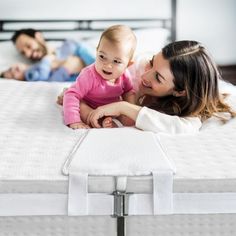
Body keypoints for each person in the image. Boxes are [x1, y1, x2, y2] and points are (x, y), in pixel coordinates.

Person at [86, 40, 236, 134]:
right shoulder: (138, 67)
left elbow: (185, 127)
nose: (145, 76)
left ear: (179, 91)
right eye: (151, 63)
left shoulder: (189, 105)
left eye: (158, 77)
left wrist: (124, 107)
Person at [63, 25, 137, 129]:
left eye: (116, 61)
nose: (107, 65)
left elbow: (129, 92)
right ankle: (97, 121)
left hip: (111, 109)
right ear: (97, 51)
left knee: (124, 118)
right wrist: (74, 121)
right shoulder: (89, 75)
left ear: (128, 64)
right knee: (84, 108)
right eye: (102, 57)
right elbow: (72, 94)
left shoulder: (125, 75)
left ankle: (106, 120)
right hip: (89, 105)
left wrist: (131, 111)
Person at [11, 28, 95, 72]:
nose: (28, 54)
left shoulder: (72, 46)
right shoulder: (36, 70)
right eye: (23, 53)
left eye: (28, 46)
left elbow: (98, 65)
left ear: (38, 37)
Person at [0, 55, 84, 82]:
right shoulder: (29, 75)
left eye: (10, 69)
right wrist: (46, 60)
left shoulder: (31, 67)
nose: (13, 72)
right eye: (13, 76)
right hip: (55, 78)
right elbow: (43, 75)